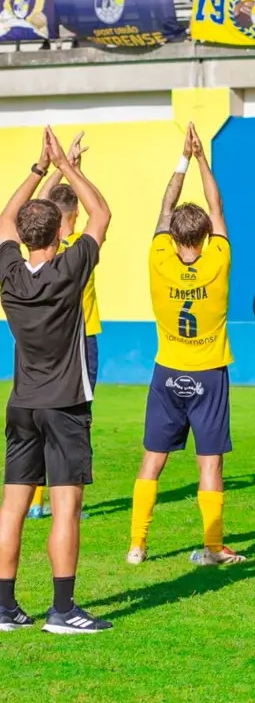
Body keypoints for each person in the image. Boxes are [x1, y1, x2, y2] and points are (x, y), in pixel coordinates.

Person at [0, 127, 111, 634]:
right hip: (63, 405)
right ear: (57, 234)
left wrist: (38, 169)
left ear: (24, 236)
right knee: (65, 505)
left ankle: (4, 608)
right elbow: (102, 214)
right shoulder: (69, 270)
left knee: (13, 505)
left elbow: (4, 217)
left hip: (21, 403)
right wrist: (68, 166)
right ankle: (62, 611)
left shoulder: (9, 275)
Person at [127, 123, 243, 569]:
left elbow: (165, 206)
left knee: (153, 460)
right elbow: (215, 204)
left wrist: (182, 158)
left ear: (175, 239)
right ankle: (213, 547)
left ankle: (137, 544)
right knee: (208, 464)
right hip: (209, 373)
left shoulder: (158, 259)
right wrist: (202, 159)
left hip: (167, 370)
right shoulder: (219, 257)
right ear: (207, 235)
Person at [24, 134, 100, 521]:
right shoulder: (76, 254)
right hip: (80, 342)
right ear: (67, 221)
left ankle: (36, 497)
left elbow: (37, 211)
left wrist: (59, 169)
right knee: (73, 420)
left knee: (38, 418)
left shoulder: (42, 254)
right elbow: (95, 212)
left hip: (42, 346)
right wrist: (69, 168)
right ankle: (65, 500)